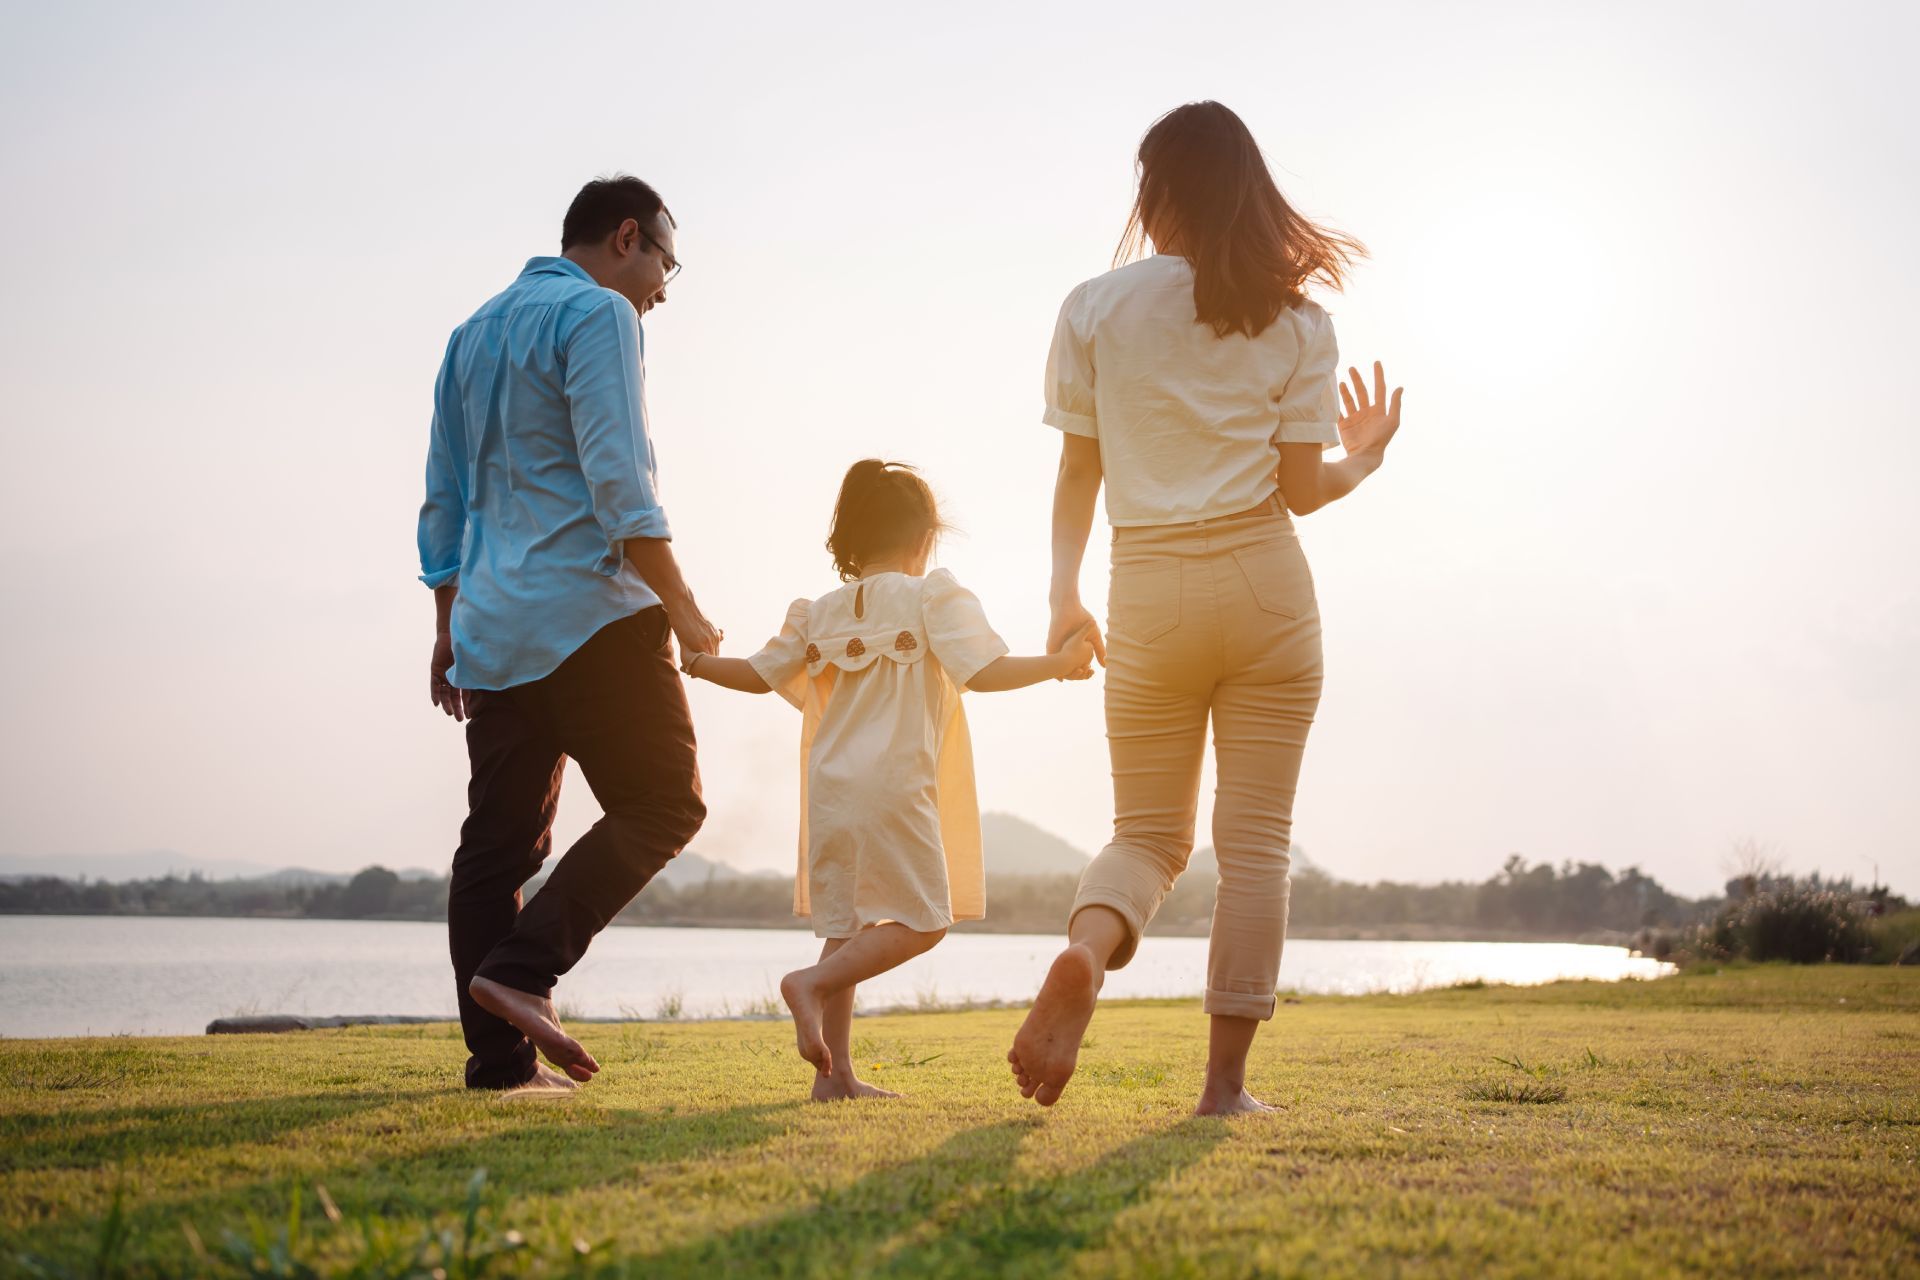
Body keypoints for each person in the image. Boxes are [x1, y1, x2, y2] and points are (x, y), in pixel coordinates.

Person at [1007, 102, 1406, 1114]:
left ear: (1157, 192)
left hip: (1146, 585)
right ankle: (1223, 1087)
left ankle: (1088, 953)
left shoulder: (1094, 306)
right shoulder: (1301, 319)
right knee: (1256, 841)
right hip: (1267, 583)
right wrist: (1365, 456)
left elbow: (1077, 472)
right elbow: (1304, 488)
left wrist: (1063, 597)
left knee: (1146, 832)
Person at [417, 175, 719, 1091]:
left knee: (496, 846)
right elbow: (620, 482)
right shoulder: (598, 316)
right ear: (629, 236)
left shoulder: (470, 333)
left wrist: (446, 626)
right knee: (668, 802)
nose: (666, 287)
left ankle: (498, 1064)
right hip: (594, 616)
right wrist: (686, 611)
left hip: (493, 630)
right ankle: (522, 971)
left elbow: (444, 502)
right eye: (668, 260)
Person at [686, 459, 1097, 1101]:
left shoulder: (815, 612)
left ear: (851, 540)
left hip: (829, 790)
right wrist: (1059, 664)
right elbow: (983, 670)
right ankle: (810, 987)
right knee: (927, 919)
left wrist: (700, 662)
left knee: (844, 928)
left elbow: (759, 674)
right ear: (922, 537)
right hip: (894, 787)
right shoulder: (930, 595)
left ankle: (835, 1079)